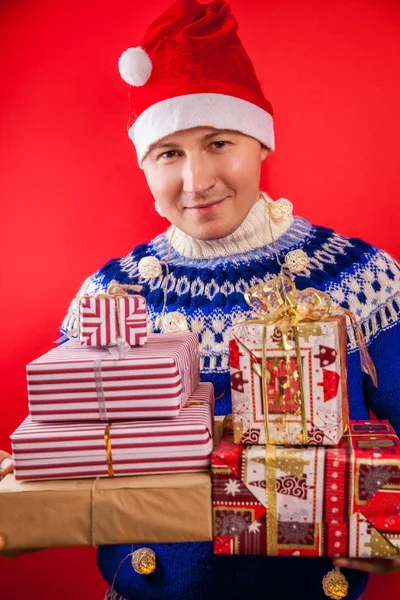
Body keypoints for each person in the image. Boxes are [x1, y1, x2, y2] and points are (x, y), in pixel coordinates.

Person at [2, 0, 400, 598]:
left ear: (262, 143)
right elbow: (69, 437)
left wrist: (392, 526)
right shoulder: (111, 295)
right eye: (170, 153)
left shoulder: (361, 279)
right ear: (144, 165)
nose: (197, 180)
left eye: (218, 142)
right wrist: (29, 467)